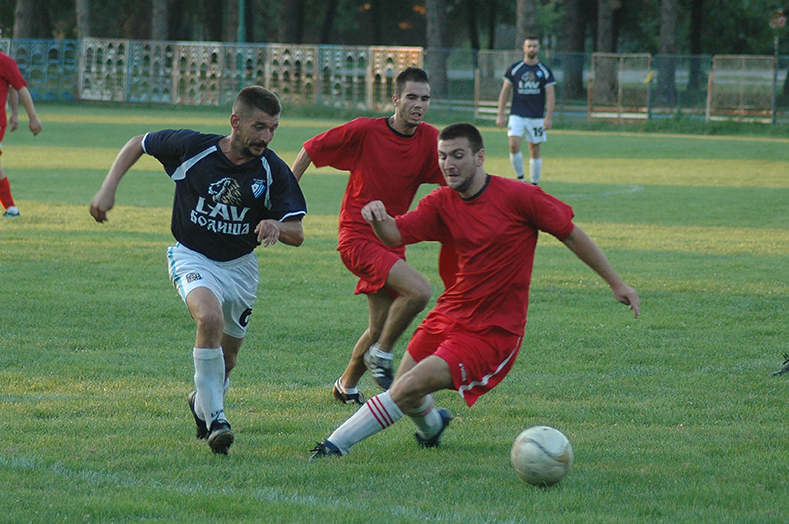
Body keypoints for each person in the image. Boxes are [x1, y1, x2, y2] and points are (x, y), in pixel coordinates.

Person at [310, 122, 639, 459]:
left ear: (479, 157)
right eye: (442, 156)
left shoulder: (519, 197)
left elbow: (569, 232)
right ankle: (433, 428)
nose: (448, 164)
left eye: (458, 155)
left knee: (407, 386)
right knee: (404, 391)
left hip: (492, 331)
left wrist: (616, 282)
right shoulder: (440, 203)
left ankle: (334, 446)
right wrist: (378, 218)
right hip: (448, 314)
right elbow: (395, 235)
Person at [90, 86, 307, 455]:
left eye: (273, 129)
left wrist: (276, 225)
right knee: (209, 319)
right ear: (235, 122)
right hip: (192, 256)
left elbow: (297, 234)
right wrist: (107, 189)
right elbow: (137, 143)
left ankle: (200, 401)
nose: (266, 137)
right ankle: (217, 420)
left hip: (240, 269)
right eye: (259, 127)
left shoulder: (273, 170)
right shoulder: (194, 148)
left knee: (229, 359)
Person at [291, 66, 453, 403]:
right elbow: (311, 149)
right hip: (357, 237)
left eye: (425, 98)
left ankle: (346, 386)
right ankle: (382, 355)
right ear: (395, 99)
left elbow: (455, 182)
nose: (418, 104)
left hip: (392, 239)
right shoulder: (366, 131)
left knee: (380, 326)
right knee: (420, 291)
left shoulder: (430, 141)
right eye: (411, 97)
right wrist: (286, 197)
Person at [496, 36, 555, 185]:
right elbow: (505, 91)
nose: (531, 49)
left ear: (538, 48)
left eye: (534, 46)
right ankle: (521, 179)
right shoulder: (515, 69)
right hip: (517, 115)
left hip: (536, 117)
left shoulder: (544, 71)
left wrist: (548, 117)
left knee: (534, 150)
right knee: (513, 144)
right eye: (529, 46)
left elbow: (550, 94)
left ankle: (534, 184)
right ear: (523, 48)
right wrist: (500, 114)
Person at [0, 29, 43, 218]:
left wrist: (31, 116)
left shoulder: (4, 61)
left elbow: (19, 88)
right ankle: (11, 209)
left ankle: (11, 208)